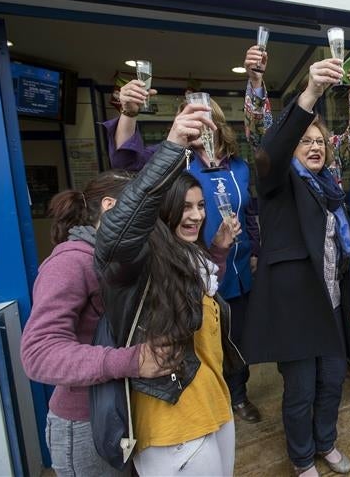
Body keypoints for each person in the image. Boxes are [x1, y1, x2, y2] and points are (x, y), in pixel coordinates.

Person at [104, 63, 263, 422]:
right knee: (199, 336)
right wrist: (128, 114)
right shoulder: (175, 160)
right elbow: (128, 165)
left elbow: (250, 213)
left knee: (235, 336)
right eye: (189, 117)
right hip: (188, 269)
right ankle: (206, 396)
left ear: (218, 123)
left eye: (205, 117)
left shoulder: (238, 166)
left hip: (236, 268)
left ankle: (238, 395)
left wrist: (255, 252)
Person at [94, 102, 245, 475]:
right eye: (185, 207)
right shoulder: (137, 260)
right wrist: (174, 145)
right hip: (171, 420)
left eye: (200, 206)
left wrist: (220, 251)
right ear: (161, 212)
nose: (196, 215)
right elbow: (116, 238)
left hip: (210, 401)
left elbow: (206, 295)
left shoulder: (189, 257)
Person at [243, 58, 350, 477]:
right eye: (304, 140)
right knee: (300, 393)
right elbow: (271, 147)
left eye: (319, 142)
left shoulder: (330, 188)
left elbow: (339, 253)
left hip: (328, 305)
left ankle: (325, 442)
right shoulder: (276, 185)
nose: (313, 146)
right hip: (294, 310)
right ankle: (302, 457)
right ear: (291, 146)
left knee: (331, 384)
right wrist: (310, 94)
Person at [20, 171, 166, 477]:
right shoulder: (70, 262)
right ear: (111, 206)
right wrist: (132, 360)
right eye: (145, 210)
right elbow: (38, 354)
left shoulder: (120, 260)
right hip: (86, 426)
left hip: (122, 412)